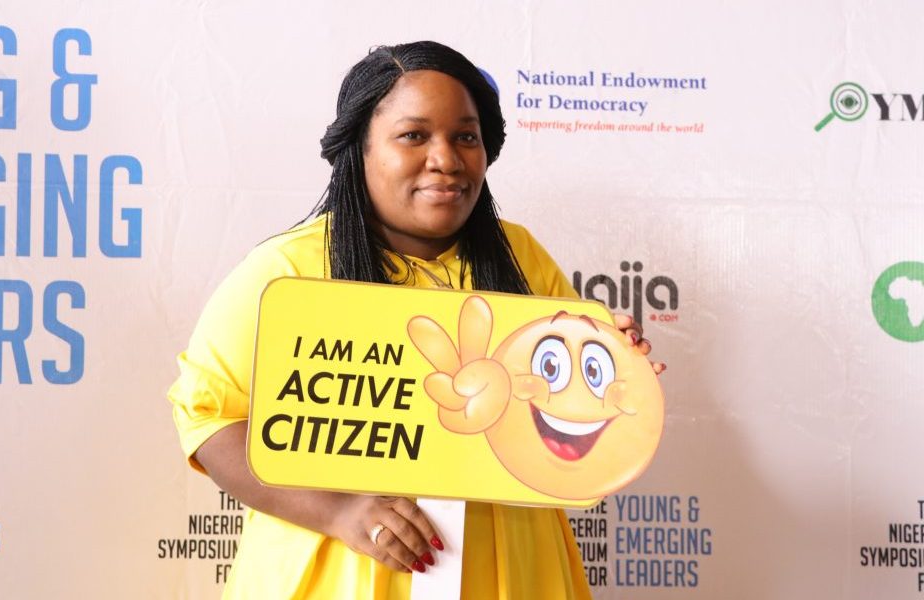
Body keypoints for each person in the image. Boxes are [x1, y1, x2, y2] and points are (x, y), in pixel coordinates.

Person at [168, 40, 664, 599]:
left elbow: (563, 426)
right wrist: (338, 511)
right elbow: (209, 418)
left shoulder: (521, 258)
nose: (446, 159)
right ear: (359, 148)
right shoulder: (288, 270)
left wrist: (607, 370)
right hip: (341, 575)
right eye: (413, 135)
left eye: (466, 137)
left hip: (509, 569)